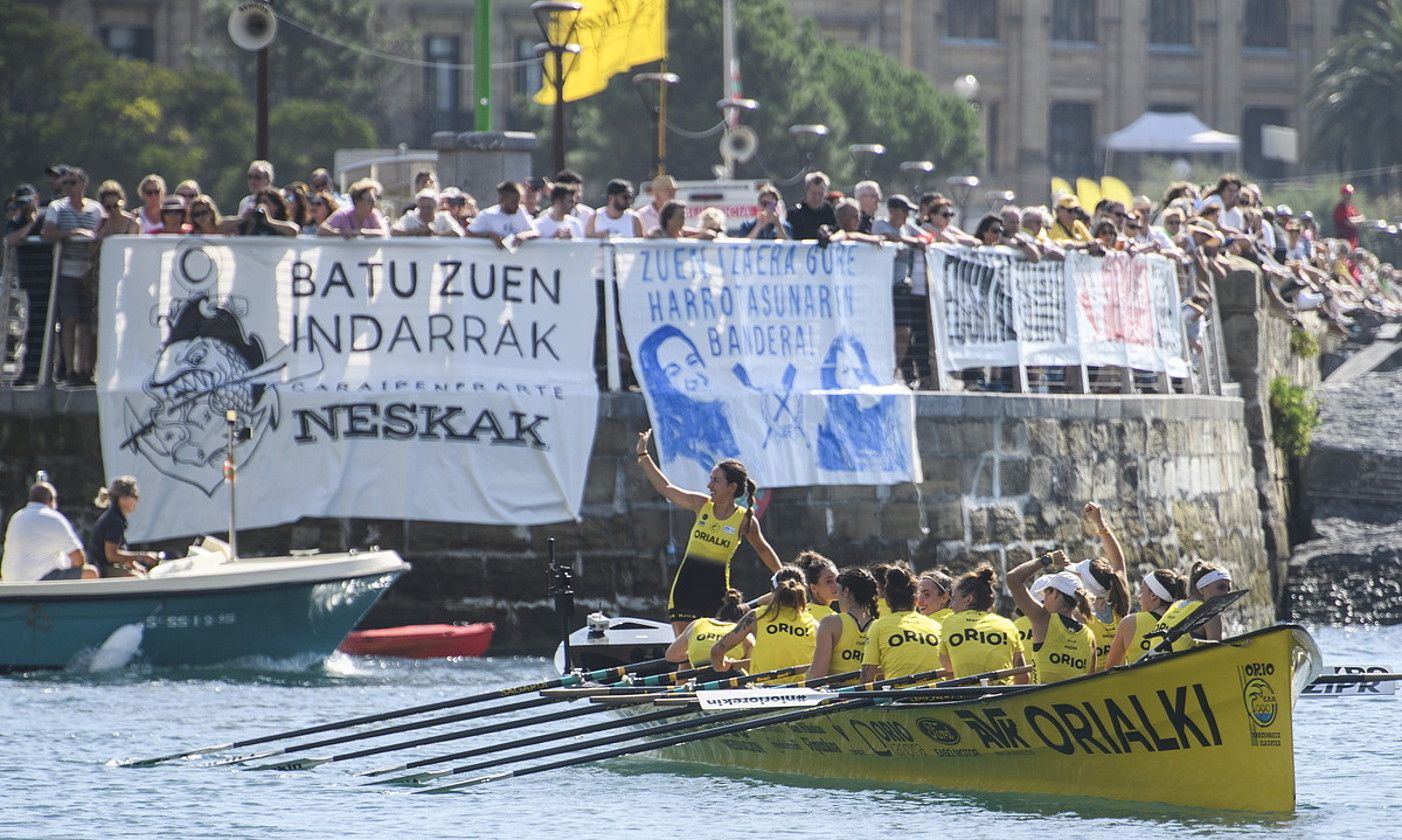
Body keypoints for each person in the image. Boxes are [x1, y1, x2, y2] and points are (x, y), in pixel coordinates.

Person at [635, 428, 781, 634]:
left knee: (710, 655)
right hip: (685, 590)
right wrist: (643, 454)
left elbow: (764, 550)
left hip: (716, 594)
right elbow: (666, 488)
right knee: (684, 657)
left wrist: (784, 576)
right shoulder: (701, 504)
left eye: (715, 480)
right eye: (710, 479)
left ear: (732, 487)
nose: (708, 484)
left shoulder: (745, 520)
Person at [635, 325, 739, 473]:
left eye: (693, 362)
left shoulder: (730, 417)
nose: (692, 377)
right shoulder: (679, 452)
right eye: (675, 371)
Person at [40, 166, 104, 387]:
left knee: (86, 323)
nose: (68, 187)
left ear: (83, 185)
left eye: (72, 183)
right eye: (65, 183)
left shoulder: (96, 209)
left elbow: (102, 233)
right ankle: (69, 369)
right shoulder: (57, 207)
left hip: (88, 274)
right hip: (66, 272)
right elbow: (48, 232)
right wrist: (74, 233)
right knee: (68, 320)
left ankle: (85, 369)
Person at [815, 333, 909, 472]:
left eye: (858, 372)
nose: (853, 380)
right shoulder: (829, 421)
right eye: (845, 371)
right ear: (833, 376)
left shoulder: (882, 410)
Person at [710, 567, 817, 677]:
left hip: (762, 690)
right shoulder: (813, 624)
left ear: (772, 592)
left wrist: (722, 666)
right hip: (802, 691)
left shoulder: (756, 616)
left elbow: (717, 651)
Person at [1008, 550, 1097, 682]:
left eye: (1045, 595)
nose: (1043, 603)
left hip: (1040, 700)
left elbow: (1013, 578)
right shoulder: (1089, 636)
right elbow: (1090, 683)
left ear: (1055, 593)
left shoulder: (1043, 619)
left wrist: (1047, 559)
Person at [937, 565, 1027, 684]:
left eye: (953, 599)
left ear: (968, 599)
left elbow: (948, 667)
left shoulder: (949, 621)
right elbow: (1023, 676)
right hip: (1004, 696)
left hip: (969, 697)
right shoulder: (1008, 625)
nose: (950, 606)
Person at [1071, 502, 1132, 671]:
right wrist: (1100, 523)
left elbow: (1117, 563)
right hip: (1121, 684)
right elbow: (1118, 562)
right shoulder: (1121, 608)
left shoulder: (1080, 618)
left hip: (1094, 689)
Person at [861, 565, 943, 682]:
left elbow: (866, 676)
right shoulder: (936, 625)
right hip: (940, 697)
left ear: (888, 602)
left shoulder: (878, 626)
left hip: (900, 698)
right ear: (916, 601)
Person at [1, 481, 97, 581]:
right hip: (37, 581)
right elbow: (79, 560)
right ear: (51, 500)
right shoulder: (53, 518)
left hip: (10, 580)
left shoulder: (16, 517)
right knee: (90, 573)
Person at [1106, 568, 1187, 667]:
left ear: (1153, 595)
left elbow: (1109, 670)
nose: (1139, 597)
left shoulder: (1130, 623)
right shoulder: (1184, 618)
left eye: (1142, 590)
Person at [807, 566, 878, 680]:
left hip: (838, 695)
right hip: (866, 695)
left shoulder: (830, 623)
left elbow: (816, 675)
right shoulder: (878, 625)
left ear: (846, 592)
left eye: (839, 590)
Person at [87, 476, 162, 577]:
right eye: (135, 496)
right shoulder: (114, 521)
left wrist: (134, 564)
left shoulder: (115, 517)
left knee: (142, 573)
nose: (137, 501)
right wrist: (143, 557)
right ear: (123, 498)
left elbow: (119, 554)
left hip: (103, 566)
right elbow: (112, 556)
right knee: (137, 578)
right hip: (101, 569)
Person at [1153, 561, 1233, 650]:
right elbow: (1218, 654)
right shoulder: (1211, 612)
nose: (1227, 593)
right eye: (1221, 587)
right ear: (1201, 589)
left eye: (1228, 589)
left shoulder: (1176, 605)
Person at [664, 588, 752, 670]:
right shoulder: (744, 632)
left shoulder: (696, 624)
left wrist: (696, 652)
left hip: (700, 677)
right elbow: (754, 664)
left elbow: (671, 656)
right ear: (743, 620)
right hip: (728, 674)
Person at [467, 180, 540, 250]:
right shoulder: (487, 215)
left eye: (518, 202)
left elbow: (535, 232)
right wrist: (489, 235)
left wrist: (523, 236)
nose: (517, 206)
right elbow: (468, 233)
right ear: (502, 199)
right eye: (513, 202)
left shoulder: (520, 212)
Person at [319, 179, 388, 239]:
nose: (373, 204)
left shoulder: (374, 215)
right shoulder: (343, 214)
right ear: (357, 201)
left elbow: (383, 232)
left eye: (373, 201)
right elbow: (321, 230)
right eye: (369, 201)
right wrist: (343, 233)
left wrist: (360, 232)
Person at [392, 189, 464, 237]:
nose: (426, 211)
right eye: (423, 207)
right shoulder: (410, 216)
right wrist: (416, 231)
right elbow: (393, 232)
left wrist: (436, 235)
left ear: (436, 207)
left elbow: (459, 233)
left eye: (429, 207)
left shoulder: (443, 217)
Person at [788, 172, 837, 240]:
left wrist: (828, 230)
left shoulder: (828, 209)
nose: (817, 197)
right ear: (806, 191)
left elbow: (837, 228)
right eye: (813, 193)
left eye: (820, 193)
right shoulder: (795, 213)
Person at [795, 550, 840, 620]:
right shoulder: (834, 619)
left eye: (837, 579)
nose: (836, 584)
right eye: (829, 581)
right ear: (813, 588)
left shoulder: (799, 612)